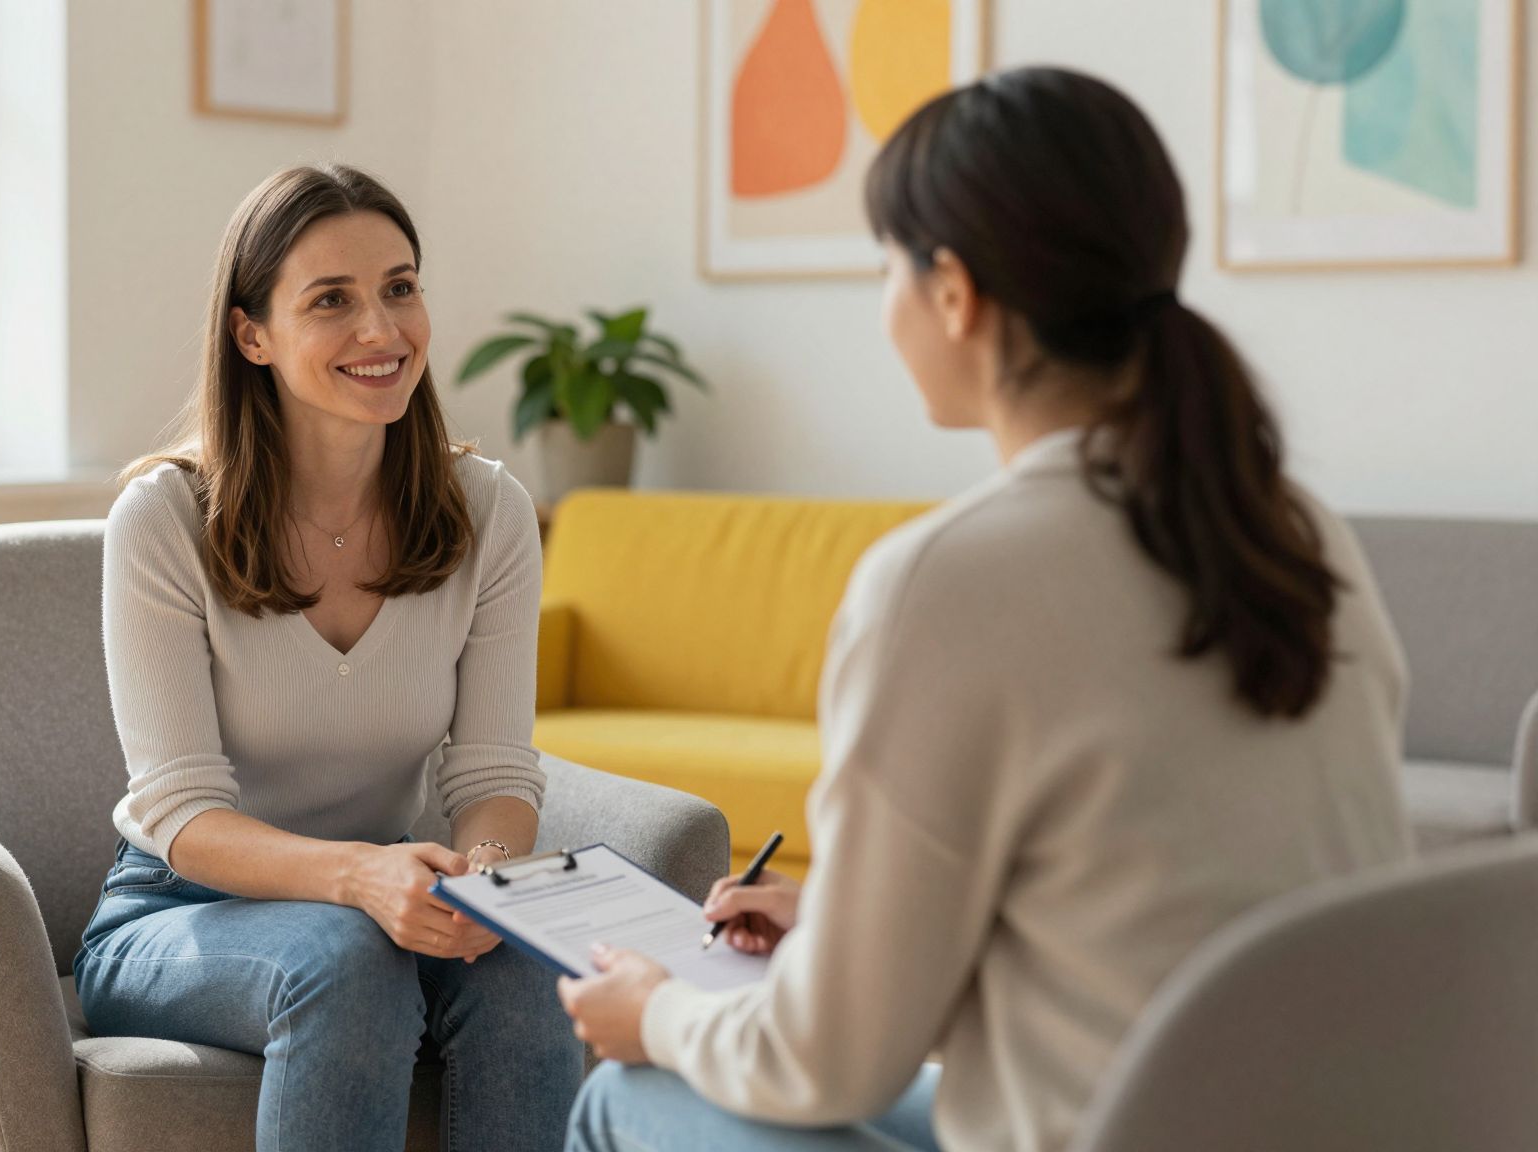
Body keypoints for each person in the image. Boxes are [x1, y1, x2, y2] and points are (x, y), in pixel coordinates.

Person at [557, 67, 1414, 1152]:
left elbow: (827, 1062)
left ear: (952, 293)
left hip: (1100, 1129)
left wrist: (655, 1013)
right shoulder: (1293, 529)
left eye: (885, 267)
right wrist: (831, 923)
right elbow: (1144, 899)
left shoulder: (942, 580)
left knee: (633, 1096)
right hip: (1323, 1118)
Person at [73, 163, 583, 1152]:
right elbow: (178, 810)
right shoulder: (164, 520)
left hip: (392, 894)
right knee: (342, 954)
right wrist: (359, 879)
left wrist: (483, 879)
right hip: (179, 913)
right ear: (250, 334)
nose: (382, 330)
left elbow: (490, 771)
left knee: (525, 959)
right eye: (331, 301)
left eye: (400, 286)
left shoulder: (488, 513)